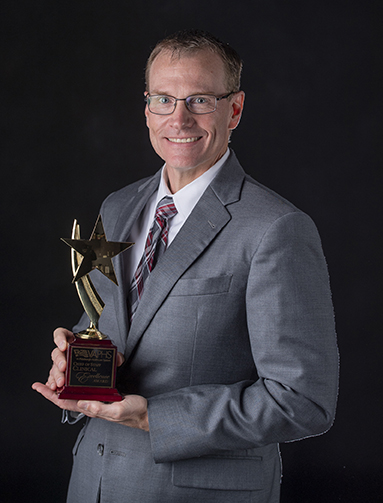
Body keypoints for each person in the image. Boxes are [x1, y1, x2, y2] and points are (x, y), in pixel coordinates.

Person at [32, 29, 339, 503]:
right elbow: (106, 324)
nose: (179, 118)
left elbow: (303, 402)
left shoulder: (276, 228)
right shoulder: (118, 207)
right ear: (147, 108)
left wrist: (152, 416)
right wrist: (75, 360)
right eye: (163, 99)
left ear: (234, 109)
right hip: (92, 483)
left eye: (199, 99)